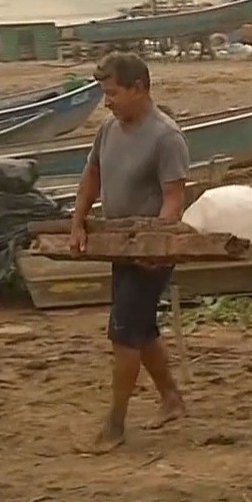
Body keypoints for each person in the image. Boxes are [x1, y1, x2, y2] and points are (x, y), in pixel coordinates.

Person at [69, 52, 190, 453]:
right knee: (140, 330)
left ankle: (115, 426)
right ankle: (172, 400)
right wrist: (78, 221)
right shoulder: (108, 130)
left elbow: (173, 198)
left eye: (113, 93)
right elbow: (93, 176)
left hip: (150, 253)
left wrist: (154, 243)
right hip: (119, 247)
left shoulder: (166, 137)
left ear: (139, 88)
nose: (107, 102)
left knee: (123, 334)